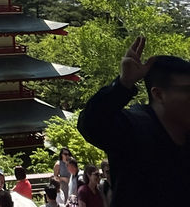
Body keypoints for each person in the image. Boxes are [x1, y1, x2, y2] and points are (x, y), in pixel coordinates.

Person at [78, 36, 190, 206]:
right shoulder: (133, 127)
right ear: (158, 94)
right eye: (187, 90)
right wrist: (123, 84)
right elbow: (91, 124)